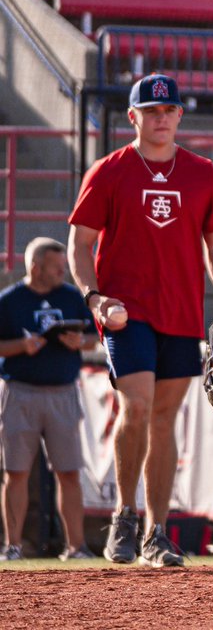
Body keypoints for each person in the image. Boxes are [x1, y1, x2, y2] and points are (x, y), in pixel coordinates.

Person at [68, 74, 213, 568]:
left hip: (182, 312)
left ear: (180, 116)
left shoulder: (203, 173)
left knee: (165, 420)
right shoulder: (108, 171)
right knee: (138, 407)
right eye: (151, 110)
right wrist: (95, 298)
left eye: (169, 111)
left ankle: (156, 532)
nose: (161, 118)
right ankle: (125, 514)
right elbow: (79, 245)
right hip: (127, 311)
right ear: (133, 117)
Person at [0, 237, 99, 560]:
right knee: (15, 472)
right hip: (20, 392)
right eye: (57, 267)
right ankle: (12, 545)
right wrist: (20, 347)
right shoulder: (9, 300)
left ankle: (76, 547)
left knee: (69, 472)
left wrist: (78, 341)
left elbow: (94, 339)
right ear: (35, 266)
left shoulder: (72, 297)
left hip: (63, 391)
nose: (62, 272)